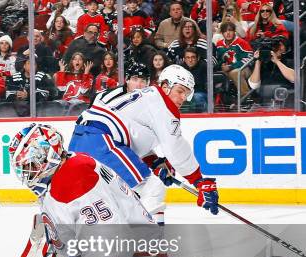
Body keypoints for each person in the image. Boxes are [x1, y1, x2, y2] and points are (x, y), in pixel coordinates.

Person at [8, 124, 162, 257]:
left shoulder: (72, 178)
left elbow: (112, 235)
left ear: (49, 155)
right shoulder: (70, 165)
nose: (27, 172)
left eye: (31, 164)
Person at [69, 64, 220, 221]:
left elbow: (130, 135)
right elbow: (175, 148)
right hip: (100, 141)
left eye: (187, 94)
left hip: (85, 140)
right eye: (180, 91)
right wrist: (200, 181)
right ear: (165, 86)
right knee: (151, 186)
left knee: (113, 196)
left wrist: (154, 162)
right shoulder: (162, 103)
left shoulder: (148, 98)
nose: (183, 98)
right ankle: (150, 239)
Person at [247, 36, 295, 104]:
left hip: (285, 99)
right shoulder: (262, 63)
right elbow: (254, 86)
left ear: (286, 49)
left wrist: (277, 62)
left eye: (280, 45)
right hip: (264, 102)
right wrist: (258, 61)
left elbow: (293, 78)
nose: (278, 48)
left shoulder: (289, 62)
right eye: (276, 45)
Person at [215, 22, 253, 99]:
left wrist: (231, 66)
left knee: (235, 73)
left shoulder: (242, 42)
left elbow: (250, 58)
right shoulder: (219, 44)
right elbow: (217, 59)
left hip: (244, 69)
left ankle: (246, 98)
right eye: (225, 31)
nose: (228, 33)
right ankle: (221, 101)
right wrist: (221, 66)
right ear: (222, 33)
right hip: (226, 71)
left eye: (230, 30)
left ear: (234, 32)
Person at [181, 47, 207, 112]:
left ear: (197, 58)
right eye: (188, 57)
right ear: (184, 59)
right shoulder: (181, 68)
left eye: (193, 57)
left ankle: (203, 118)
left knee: (196, 97)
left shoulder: (204, 66)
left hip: (200, 93)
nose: (190, 60)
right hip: (185, 94)